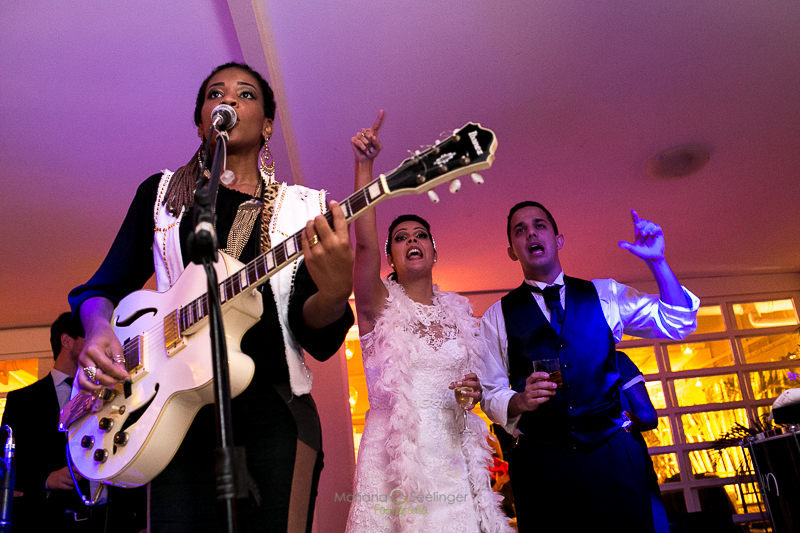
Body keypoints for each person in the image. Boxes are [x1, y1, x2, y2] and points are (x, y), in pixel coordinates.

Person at [68, 63, 355, 533]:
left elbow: (314, 334)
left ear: (266, 126)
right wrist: (99, 332)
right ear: (202, 121)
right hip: (167, 419)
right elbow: (101, 289)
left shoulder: (304, 209)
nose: (229, 100)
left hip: (273, 414)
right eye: (215, 94)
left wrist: (336, 290)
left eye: (246, 95)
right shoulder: (160, 197)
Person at [479, 201, 699, 533]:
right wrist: (519, 401)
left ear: (558, 238)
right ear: (512, 251)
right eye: (519, 230)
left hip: (611, 453)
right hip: (542, 462)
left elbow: (677, 322)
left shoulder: (605, 293)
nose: (531, 234)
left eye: (539, 225)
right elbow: (489, 391)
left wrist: (658, 262)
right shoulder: (496, 316)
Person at [344, 112, 512, 533]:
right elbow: (363, 243)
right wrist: (365, 166)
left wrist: (471, 392)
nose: (412, 241)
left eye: (420, 235)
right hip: (396, 460)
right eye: (401, 238)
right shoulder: (377, 304)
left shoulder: (459, 314)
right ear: (391, 260)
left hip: (456, 459)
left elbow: (468, 389)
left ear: (434, 253)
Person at [1, 312, 145, 532]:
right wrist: (46, 479)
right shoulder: (22, 400)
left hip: (112, 518)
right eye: (88, 336)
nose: (98, 342)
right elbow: (7, 466)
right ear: (66, 340)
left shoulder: (109, 387)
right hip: (50, 520)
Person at [617, 350, 670, 533]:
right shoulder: (559, 366)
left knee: (653, 523)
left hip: (631, 465)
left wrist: (630, 419)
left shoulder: (618, 360)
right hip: (583, 472)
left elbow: (649, 415)